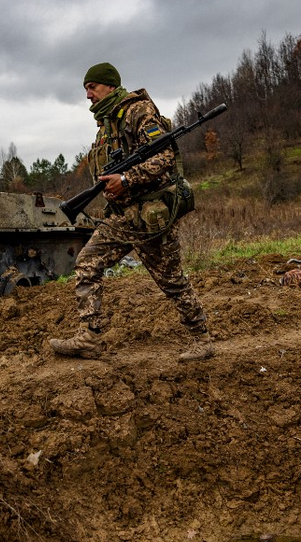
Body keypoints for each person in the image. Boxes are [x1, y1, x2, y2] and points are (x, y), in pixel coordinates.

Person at [49, 62, 213, 363]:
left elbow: (164, 156)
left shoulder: (138, 111)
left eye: (92, 87)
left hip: (150, 215)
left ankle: (201, 338)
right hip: (124, 216)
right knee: (88, 262)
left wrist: (126, 179)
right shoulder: (107, 123)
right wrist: (113, 185)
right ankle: (89, 336)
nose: (88, 95)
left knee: (172, 280)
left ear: (110, 86)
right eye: (86, 88)